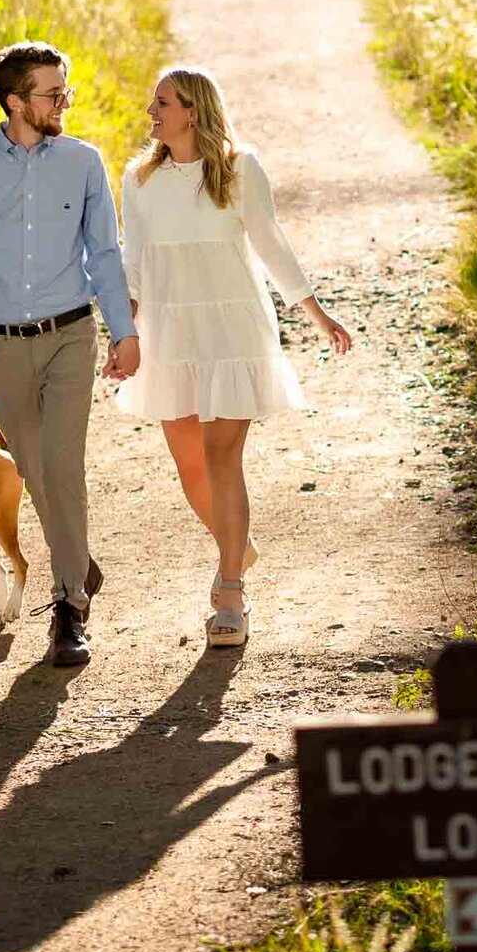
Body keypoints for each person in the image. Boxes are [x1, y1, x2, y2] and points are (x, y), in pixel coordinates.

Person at [115, 66, 351, 647]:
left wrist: (315, 313)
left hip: (231, 329)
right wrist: (125, 332)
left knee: (223, 460)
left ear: (192, 110)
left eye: (163, 102)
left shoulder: (241, 169)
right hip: (171, 332)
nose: (152, 111)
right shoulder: (139, 178)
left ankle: (230, 593)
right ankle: (237, 547)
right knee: (189, 465)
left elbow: (270, 242)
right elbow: (135, 261)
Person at [0, 41, 138, 670]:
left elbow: (104, 253)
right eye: (53, 94)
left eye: (65, 92)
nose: (64, 103)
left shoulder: (84, 163)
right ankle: (75, 554)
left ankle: (69, 606)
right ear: (16, 101)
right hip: (2, 346)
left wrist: (123, 329)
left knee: (62, 465)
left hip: (70, 336)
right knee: (32, 469)